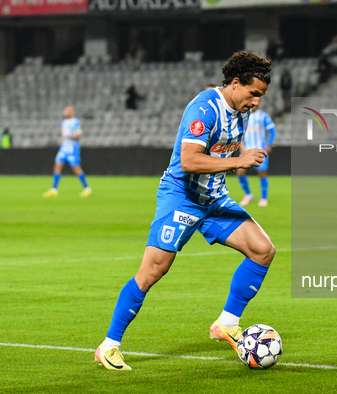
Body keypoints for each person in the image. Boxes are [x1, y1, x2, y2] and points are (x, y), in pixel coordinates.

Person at [94, 51, 275, 370]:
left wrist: (238, 157)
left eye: (260, 96)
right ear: (235, 84)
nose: (256, 102)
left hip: (214, 198)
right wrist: (238, 161)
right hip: (182, 197)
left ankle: (226, 324)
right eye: (254, 94)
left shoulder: (240, 110)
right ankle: (109, 345)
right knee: (152, 271)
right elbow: (190, 160)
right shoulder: (204, 108)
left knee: (263, 250)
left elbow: (223, 150)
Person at [43, 106, 92, 198]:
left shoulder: (75, 122)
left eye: (68, 110)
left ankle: (87, 188)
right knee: (57, 166)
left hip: (72, 150)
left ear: (72, 112)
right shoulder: (64, 122)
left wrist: (68, 137)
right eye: (65, 110)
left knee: (76, 169)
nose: (66, 112)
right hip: (64, 149)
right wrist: (63, 138)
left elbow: (79, 134)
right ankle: (54, 189)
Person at [237, 101, 276, 208]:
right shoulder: (243, 116)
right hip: (246, 151)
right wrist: (241, 146)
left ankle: (263, 198)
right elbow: (239, 133)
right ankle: (248, 194)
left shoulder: (263, 116)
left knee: (262, 173)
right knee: (240, 172)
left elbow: (272, 130)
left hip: (260, 150)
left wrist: (270, 144)